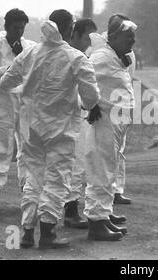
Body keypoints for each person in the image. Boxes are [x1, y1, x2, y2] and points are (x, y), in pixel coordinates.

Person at [0, 9, 101, 249]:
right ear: (67, 29)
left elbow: (6, 82)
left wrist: (27, 91)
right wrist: (89, 105)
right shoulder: (75, 57)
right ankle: (47, 233)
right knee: (57, 179)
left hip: (31, 128)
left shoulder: (29, 53)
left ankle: (26, 233)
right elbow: (91, 96)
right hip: (61, 129)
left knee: (33, 177)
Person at [82, 15, 138, 241]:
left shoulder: (116, 55)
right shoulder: (101, 57)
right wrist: (90, 104)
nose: (132, 41)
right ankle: (96, 222)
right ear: (113, 37)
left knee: (109, 169)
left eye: (134, 37)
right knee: (101, 169)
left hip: (115, 123)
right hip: (104, 121)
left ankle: (103, 215)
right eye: (128, 37)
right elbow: (82, 79)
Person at [0, 9, 36, 213]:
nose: (19, 32)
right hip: (1, 103)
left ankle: (28, 192)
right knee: (0, 148)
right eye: (15, 28)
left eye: (22, 28)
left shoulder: (30, 47)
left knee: (29, 147)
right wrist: (12, 68)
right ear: (6, 27)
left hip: (26, 102)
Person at [63, 18, 99, 230]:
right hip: (66, 116)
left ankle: (68, 209)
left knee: (77, 163)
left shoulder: (84, 57)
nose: (90, 42)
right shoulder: (69, 56)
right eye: (87, 37)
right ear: (75, 34)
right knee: (72, 163)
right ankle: (69, 211)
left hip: (77, 115)